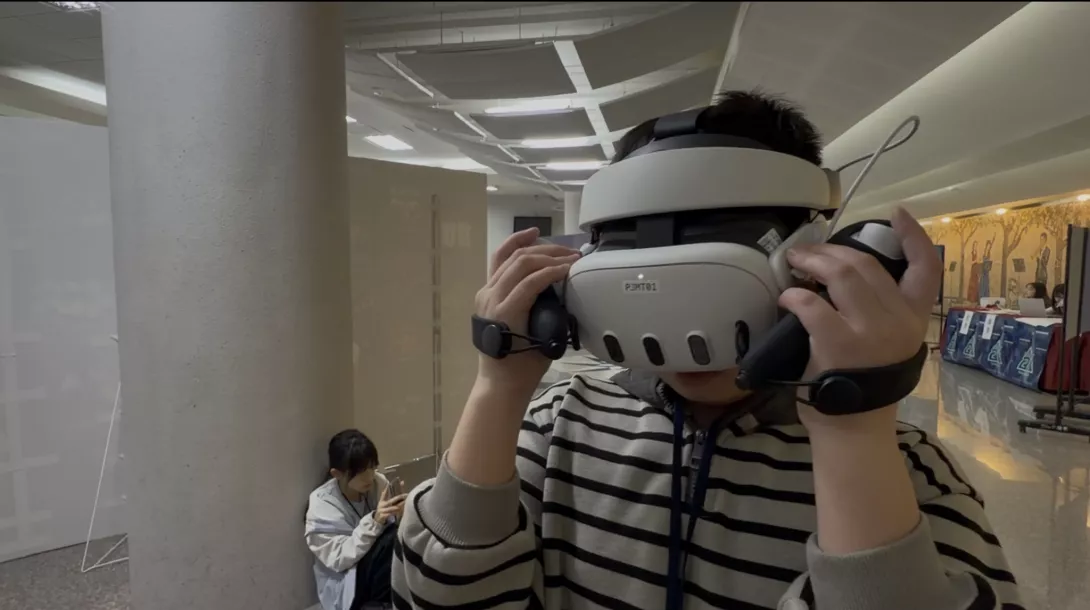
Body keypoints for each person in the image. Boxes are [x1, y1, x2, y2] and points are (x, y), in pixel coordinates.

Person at [392, 91, 1020, 609]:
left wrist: (852, 435)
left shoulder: (906, 470)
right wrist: (498, 387)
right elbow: (435, 595)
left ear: (820, 259)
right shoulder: (557, 423)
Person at [306, 430, 406, 610]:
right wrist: (375, 522)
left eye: (372, 467)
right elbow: (339, 559)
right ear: (337, 474)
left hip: (377, 570)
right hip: (345, 581)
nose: (369, 476)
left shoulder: (377, 482)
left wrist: (401, 512)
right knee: (392, 539)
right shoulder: (322, 504)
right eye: (360, 472)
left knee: (401, 535)